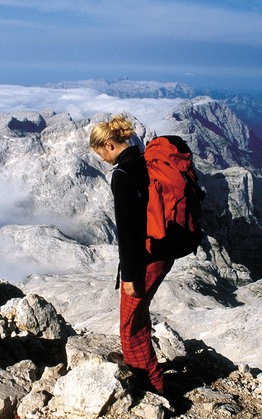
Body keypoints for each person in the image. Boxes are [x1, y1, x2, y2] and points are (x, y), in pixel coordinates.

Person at [89, 114, 174, 395]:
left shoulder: (123, 175)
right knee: (137, 316)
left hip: (146, 257)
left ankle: (153, 384)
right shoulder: (144, 162)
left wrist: (130, 276)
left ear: (109, 145)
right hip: (163, 251)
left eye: (100, 152)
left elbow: (129, 232)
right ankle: (137, 363)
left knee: (129, 325)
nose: (101, 159)